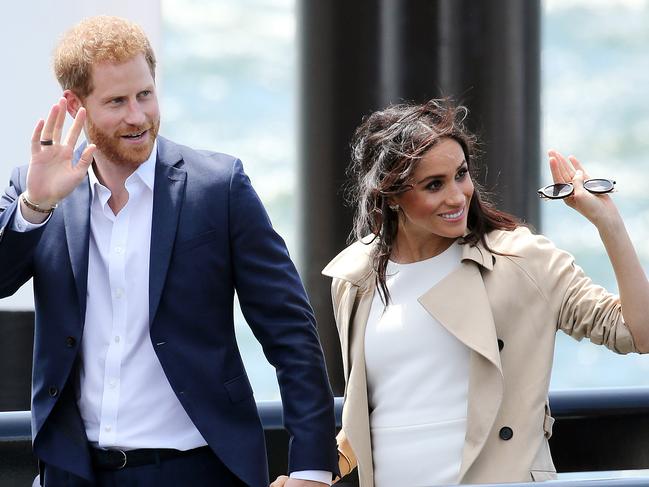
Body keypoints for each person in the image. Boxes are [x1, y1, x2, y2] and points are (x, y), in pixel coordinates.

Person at [0, 16, 338, 487]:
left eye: (145, 94)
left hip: (197, 470)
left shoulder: (218, 187)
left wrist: (312, 469)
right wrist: (35, 206)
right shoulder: (34, 187)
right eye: (117, 101)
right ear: (75, 104)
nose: (138, 116)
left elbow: (291, 332)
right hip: (74, 473)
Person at [274, 98, 649, 487]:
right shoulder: (356, 278)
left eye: (461, 174)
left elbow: (638, 332)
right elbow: (375, 417)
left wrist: (608, 222)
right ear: (392, 196)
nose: (457, 196)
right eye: (434, 185)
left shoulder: (522, 261)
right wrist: (314, 474)